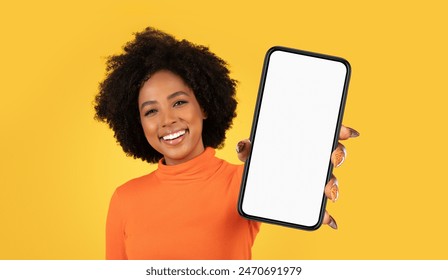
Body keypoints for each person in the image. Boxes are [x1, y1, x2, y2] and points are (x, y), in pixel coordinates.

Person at [94, 27, 359, 260]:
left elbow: (290, 182)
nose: (167, 120)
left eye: (179, 102)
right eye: (151, 111)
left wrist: (306, 156)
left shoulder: (245, 181)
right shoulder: (125, 199)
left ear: (204, 107)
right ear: (137, 123)